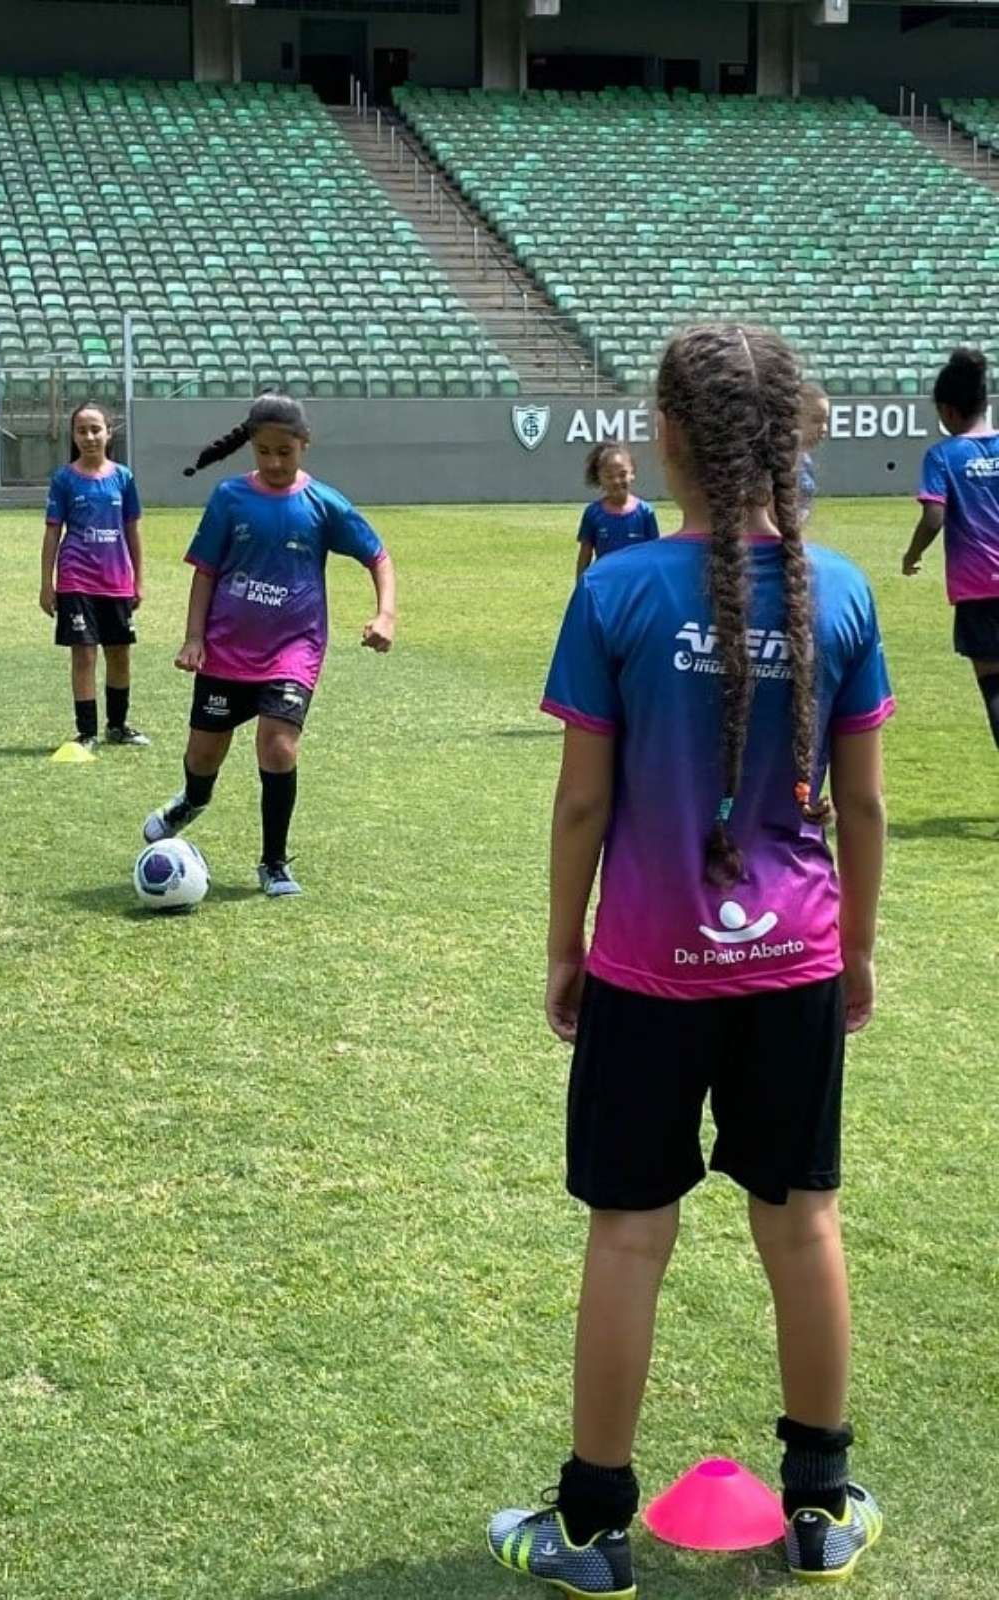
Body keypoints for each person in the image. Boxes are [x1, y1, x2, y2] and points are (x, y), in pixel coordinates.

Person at [486, 325, 892, 1596]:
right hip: (795, 968)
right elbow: (863, 810)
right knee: (802, 1221)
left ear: (665, 435)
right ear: (794, 440)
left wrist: (566, 948)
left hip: (647, 971)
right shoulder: (842, 591)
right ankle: (821, 1505)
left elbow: (579, 810)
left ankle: (593, 1528)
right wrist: (858, 952)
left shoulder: (615, 592)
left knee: (628, 1237)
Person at [143, 394, 395, 896]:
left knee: (277, 745)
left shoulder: (324, 504)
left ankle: (274, 862)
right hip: (226, 649)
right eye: (264, 452)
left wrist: (385, 613)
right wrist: (194, 637)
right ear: (251, 448)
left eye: (285, 451)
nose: (275, 462)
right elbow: (206, 572)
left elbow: (379, 556)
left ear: (304, 445)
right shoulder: (229, 499)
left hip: (294, 650)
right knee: (203, 757)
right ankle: (192, 800)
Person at [904, 347, 999, 752]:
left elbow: (933, 519)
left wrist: (913, 555)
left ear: (948, 410)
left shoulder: (942, 456)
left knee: (994, 686)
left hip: (979, 589)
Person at [40, 401, 148, 752]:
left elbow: (132, 530)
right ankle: (86, 732)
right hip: (76, 580)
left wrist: (138, 579)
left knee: (119, 654)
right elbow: (53, 533)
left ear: (108, 432)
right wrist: (47, 583)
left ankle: (117, 726)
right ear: (73, 436)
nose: (89, 437)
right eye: (82, 430)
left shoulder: (123, 478)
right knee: (84, 655)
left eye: (95, 429)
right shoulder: (64, 480)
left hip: (115, 580)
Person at [575, 445, 660, 581]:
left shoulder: (645, 512)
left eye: (622, 474)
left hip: (636, 585)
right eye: (609, 476)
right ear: (600, 478)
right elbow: (585, 554)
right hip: (605, 584)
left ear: (632, 474)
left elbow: (654, 554)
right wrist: (580, 588)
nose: (616, 481)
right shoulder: (593, 513)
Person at [798, 381, 831, 526]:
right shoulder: (771, 462)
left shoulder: (805, 461)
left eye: (826, 421)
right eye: (816, 420)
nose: (824, 428)